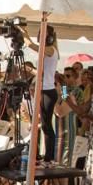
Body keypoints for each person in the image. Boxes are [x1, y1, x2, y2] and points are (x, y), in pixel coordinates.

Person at [23, 24, 60, 164]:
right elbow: (42, 73)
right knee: (44, 125)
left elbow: (30, 45)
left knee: (46, 125)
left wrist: (24, 33)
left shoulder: (50, 49)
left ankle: (50, 157)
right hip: (45, 91)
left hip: (48, 92)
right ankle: (43, 154)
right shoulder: (50, 51)